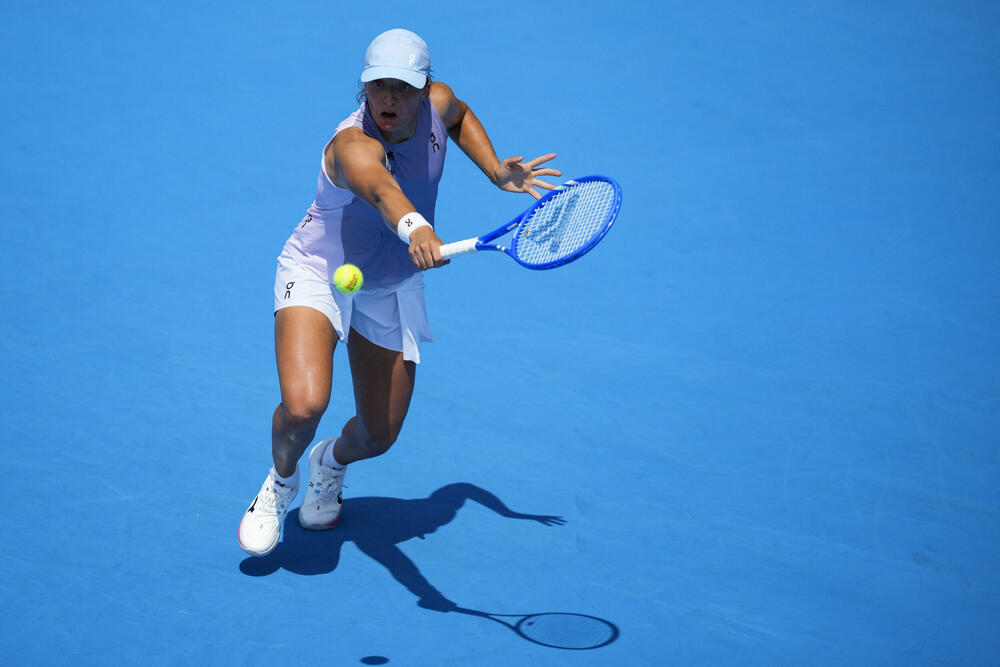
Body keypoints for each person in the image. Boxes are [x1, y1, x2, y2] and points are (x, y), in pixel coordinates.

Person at [239, 28, 561, 556]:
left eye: (402, 88)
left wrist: (497, 170)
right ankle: (280, 481)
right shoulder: (352, 145)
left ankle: (330, 463)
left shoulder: (437, 101)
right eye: (377, 87)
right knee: (304, 406)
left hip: (387, 283)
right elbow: (382, 189)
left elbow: (456, 115)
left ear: (423, 87)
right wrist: (417, 230)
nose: (388, 99)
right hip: (321, 271)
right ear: (364, 88)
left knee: (378, 434)